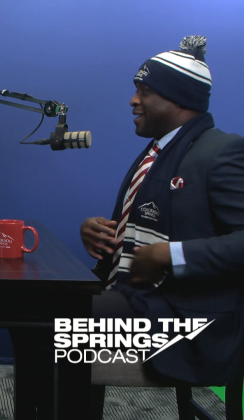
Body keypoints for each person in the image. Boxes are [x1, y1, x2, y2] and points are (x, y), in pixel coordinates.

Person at [81, 34, 244, 385]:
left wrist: (170, 255)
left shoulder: (222, 152)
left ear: (179, 98)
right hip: (147, 304)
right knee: (56, 322)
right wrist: (98, 232)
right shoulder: (160, 151)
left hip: (193, 328)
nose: (133, 100)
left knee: (67, 338)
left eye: (145, 92)